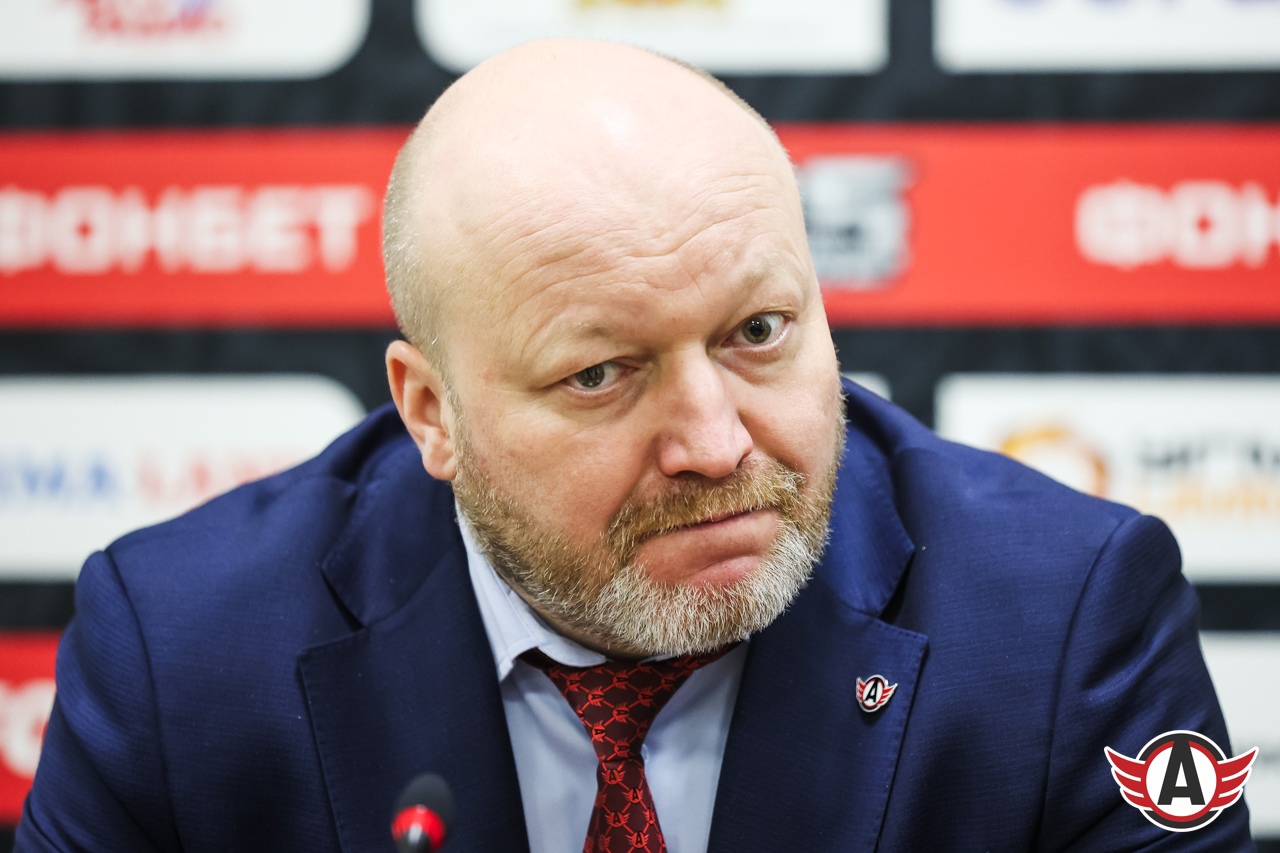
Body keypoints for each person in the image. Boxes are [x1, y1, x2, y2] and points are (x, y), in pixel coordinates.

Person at [18, 39, 1253, 853]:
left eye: (757, 332)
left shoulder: (1062, 619)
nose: (714, 443)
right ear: (430, 412)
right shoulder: (181, 652)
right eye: (600, 374)